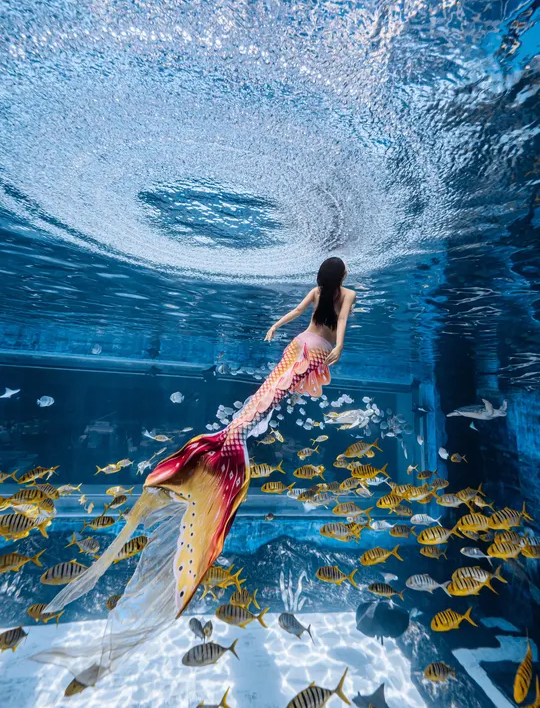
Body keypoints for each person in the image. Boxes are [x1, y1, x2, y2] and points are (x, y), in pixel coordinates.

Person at [36, 257, 355, 694]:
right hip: (312, 350)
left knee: (262, 402)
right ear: (343, 276)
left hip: (298, 345)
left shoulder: (322, 292)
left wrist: (277, 330)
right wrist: (332, 352)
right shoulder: (344, 296)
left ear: (323, 275)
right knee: (265, 406)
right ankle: (221, 450)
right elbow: (336, 336)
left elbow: (296, 315)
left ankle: (222, 446)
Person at [264, 256, 356, 367]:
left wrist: (275, 326)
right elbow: (342, 319)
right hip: (320, 349)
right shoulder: (349, 294)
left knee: (278, 379)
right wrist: (339, 346)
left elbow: (297, 311)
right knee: (300, 384)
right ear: (343, 276)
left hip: (300, 341)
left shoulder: (316, 291)